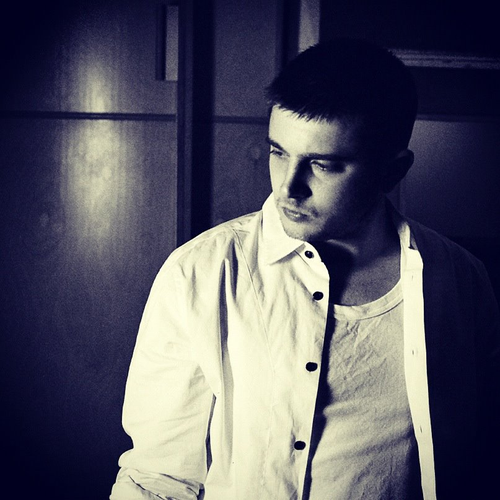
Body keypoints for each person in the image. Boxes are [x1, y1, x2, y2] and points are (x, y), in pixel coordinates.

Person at [110, 38, 500, 500]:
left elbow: (482, 460)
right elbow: (156, 478)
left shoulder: (459, 282)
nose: (288, 188)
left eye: (323, 164)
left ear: (392, 171)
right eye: (278, 152)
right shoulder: (200, 272)